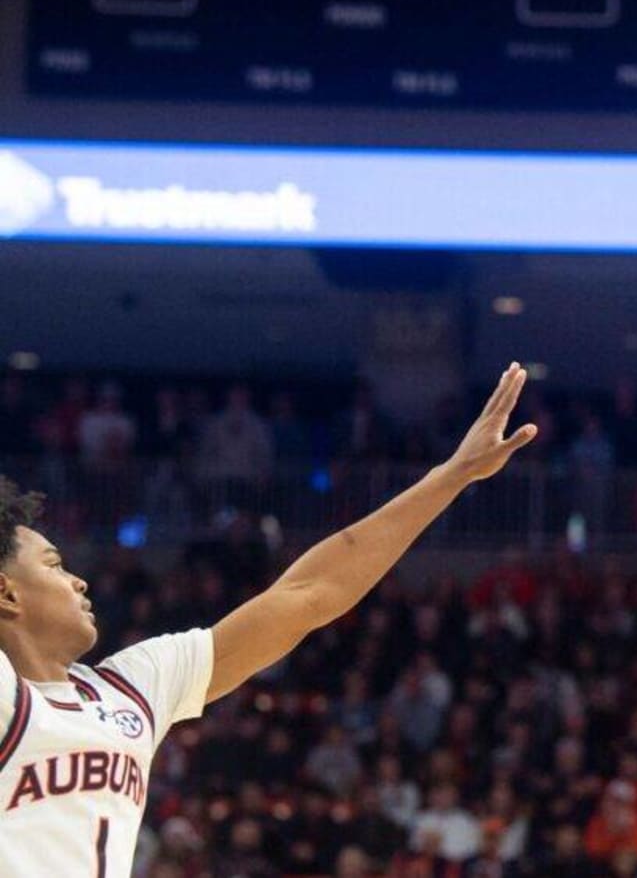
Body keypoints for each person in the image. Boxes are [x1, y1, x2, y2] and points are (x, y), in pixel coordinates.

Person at [0, 364, 539, 876]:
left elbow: (309, 594)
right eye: (53, 564)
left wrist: (451, 476)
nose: (78, 580)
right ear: (6, 592)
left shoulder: (131, 687)